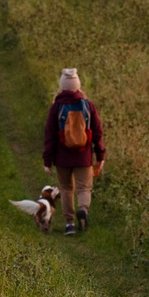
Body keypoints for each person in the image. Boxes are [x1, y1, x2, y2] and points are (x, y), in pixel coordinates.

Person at [41, 68, 104, 236]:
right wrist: (100, 155)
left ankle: (69, 224)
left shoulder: (56, 107)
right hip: (84, 157)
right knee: (84, 188)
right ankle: (83, 210)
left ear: (62, 86)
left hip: (62, 158)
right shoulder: (88, 105)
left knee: (66, 189)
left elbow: (50, 136)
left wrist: (47, 160)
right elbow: (97, 132)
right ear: (77, 86)